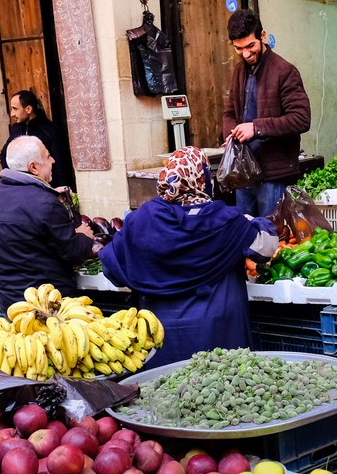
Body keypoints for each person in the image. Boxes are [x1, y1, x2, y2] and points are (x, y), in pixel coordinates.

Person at [99, 146, 278, 367]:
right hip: (218, 336)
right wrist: (253, 221)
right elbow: (266, 247)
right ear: (202, 177)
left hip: (160, 337)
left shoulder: (142, 219)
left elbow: (112, 269)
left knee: (166, 392)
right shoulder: (225, 220)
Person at [0, 136, 97, 313]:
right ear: (33, 167)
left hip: (11, 303)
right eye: (47, 156)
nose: (53, 160)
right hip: (48, 302)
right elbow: (73, 252)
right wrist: (83, 236)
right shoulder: (45, 203)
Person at [222, 9, 311, 217]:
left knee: (273, 239)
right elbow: (228, 113)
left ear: (262, 37)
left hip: (273, 176)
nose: (246, 54)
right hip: (242, 172)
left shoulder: (284, 71)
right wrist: (232, 133)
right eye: (239, 48)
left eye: (250, 46)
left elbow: (301, 118)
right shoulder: (238, 71)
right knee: (245, 236)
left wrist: (256, 128)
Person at [0, 90, 75, 190]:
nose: (12, 114)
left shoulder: (51, 131)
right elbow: (4, 155)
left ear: (28, 109)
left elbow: (62, 167)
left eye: (15, 109)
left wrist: (62, 192)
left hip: (47, 189)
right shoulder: (16, 129)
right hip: (22, 188)